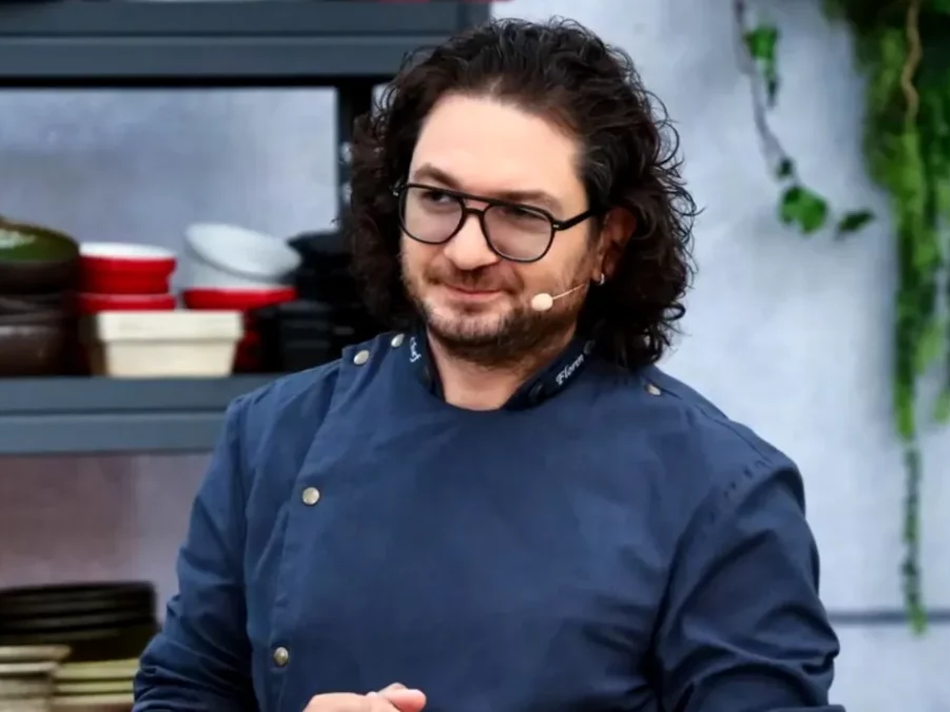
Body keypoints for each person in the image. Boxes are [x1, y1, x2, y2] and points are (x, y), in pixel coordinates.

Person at [133, 16, 843, 712]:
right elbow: (184, 692)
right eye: (439, 199)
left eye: (521, 215)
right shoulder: (274, 436)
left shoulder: (719, 492)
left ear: (608, 243)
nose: (467, 250)